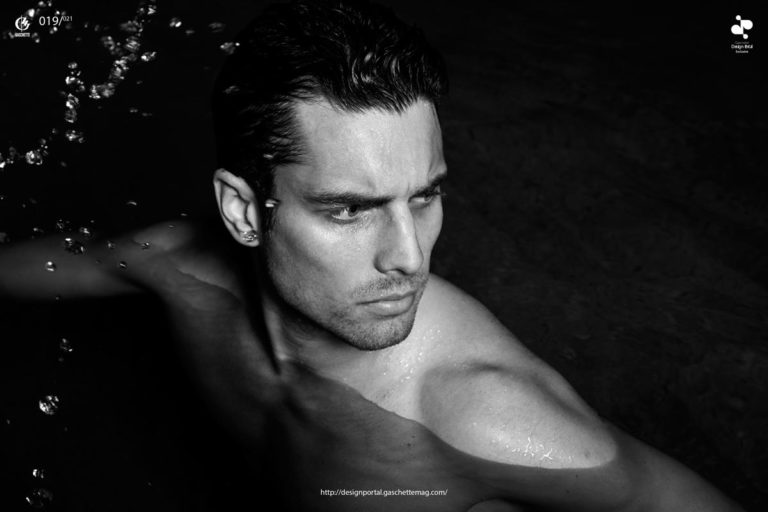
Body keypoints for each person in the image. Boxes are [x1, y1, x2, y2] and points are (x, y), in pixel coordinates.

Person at [0, 0, 744, 510]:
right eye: (349, 209)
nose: (409, 257)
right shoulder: (179, 272)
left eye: (425, 196)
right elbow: (63, 262)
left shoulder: (480, 422)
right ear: (243, 211)